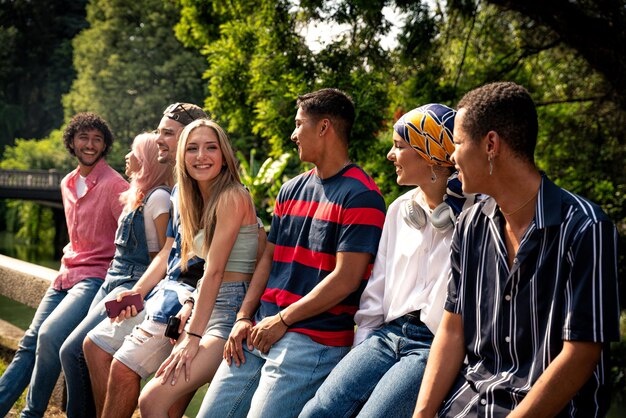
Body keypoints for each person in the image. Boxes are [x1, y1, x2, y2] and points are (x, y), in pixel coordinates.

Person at [412, 81, 620, 418]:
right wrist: (422, 414)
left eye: (459, 143)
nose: (452, 156)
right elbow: (452, 330)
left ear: (491, 144)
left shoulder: (586, 228)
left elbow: (580, 354)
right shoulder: (469, 226)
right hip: (470, 404)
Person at [197, 88, 387, 418]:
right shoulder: (291, 189)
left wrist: (283, 320)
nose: (293, 133)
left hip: (313, 340)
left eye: (299, 124)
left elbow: (346, 279)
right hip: (261, 327)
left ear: (324, 127)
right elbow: (268, 259)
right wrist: (244, 317)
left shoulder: (362, 196)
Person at [301, 104, 476, 418]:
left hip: (433, 345)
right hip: (387, 335)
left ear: (430, 153)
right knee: (317, 410)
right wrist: (361, 351)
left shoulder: (479, 216)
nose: (390, 155)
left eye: (398, 146)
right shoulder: (399, 209)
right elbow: (377, 290)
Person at [82, 103, 209, 418]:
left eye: (167, 132)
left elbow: (230, 261)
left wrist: (192, 307)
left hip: (191, 299)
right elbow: (168, 251)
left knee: (132, 377)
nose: (159, 139)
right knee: (94, 346)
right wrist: (137, 291)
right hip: (166, 289)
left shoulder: (214, 191)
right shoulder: (179, 190)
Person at [0, 112, 129, 418]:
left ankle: (30, 414)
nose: (90, 144)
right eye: (84, 137)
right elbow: (76, 234)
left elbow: (131, 239)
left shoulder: (116, 186)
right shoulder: (67, 183)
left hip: (96, 278)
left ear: (105, 145)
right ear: (72, 141)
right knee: (30, 341)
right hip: (66, 274)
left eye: (97, 139)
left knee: (49, 336)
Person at [138, 118, 262, 417]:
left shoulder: (232, 196)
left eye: (210, 148)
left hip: (229, 311)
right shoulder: (197, 199)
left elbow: (217, 271)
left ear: (224, 155)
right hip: (207, 305)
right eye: (192, 148)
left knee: (151, 400)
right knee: (165, 405)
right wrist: (191, 303)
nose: (201, 156)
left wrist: (192, 339)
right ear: (182, 156)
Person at [59, 131, 173, 417]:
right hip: (113, 278)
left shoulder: (158, 198)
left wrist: (138, 294)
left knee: (74, 350)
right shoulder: (139, 194)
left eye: (133, 151)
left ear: (145, 159)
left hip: (129, 282)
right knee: (78, 350)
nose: (127, 156)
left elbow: (160, 255)